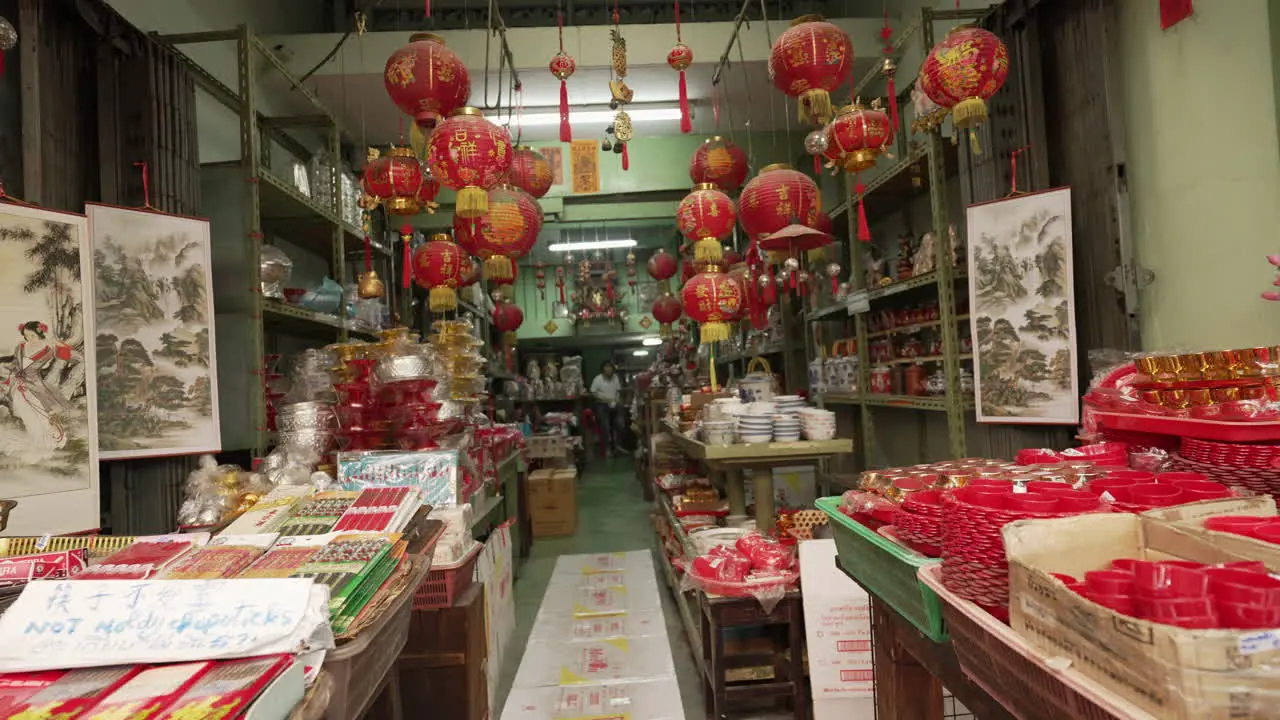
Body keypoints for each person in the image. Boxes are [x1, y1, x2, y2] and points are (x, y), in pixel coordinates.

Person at [0, 321, 76, 450]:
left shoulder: (49, 349)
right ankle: (38, 443)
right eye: (26, 335)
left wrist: (56, 343)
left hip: (35, 384)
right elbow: (14, 364)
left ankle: (52, 441)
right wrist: (5, 376)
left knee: (42, 413)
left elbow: (69, 354)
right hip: (17, 385)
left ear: (40, 334)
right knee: (27, 413)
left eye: (32, 335)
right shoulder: (21, 347)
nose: (29, 339)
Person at [589, 360, 623, 457]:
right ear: (603, 369)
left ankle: (617, 446)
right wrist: (605, 399)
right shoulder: (598, 379)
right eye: (606, 367)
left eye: (610, 367)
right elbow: (594, 392)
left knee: (619, 424)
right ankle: (607, 448)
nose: (608, 369)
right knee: (605, 427)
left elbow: (618, 391)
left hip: (614, 403)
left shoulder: (615, 378)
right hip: (602, 404)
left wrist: (617, 400)